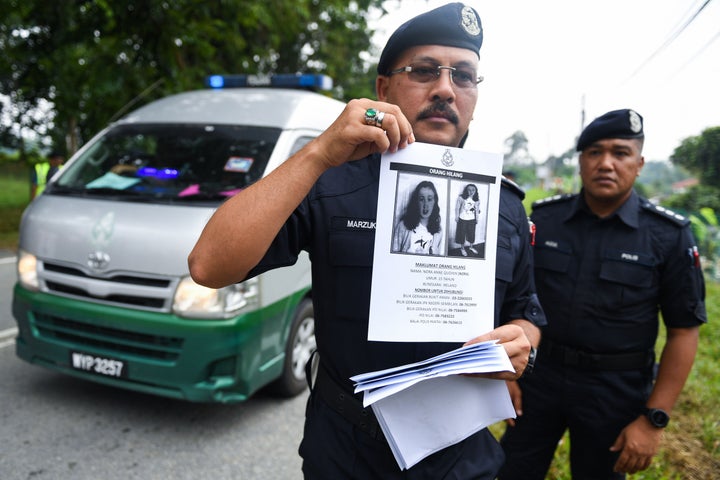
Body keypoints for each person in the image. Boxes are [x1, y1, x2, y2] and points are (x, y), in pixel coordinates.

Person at [189, 3, 545, 478]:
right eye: (423, 71)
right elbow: (210, 266)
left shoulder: (503, 206)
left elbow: (527, 311)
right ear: (384, 88)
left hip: (460, 455)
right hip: (347, 448)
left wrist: (524, 345)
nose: (444, 88)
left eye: (463, 76)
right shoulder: (333, 180)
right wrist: (317, 153)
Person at [499, 109, 707, 479]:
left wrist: (653, 420)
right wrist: (510, 376)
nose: (606, 163)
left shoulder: (667, 236)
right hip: (538, 381)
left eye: (620, 153)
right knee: (510, 471)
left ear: (639, 164)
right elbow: (515, 300)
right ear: (580, 161)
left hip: (614, 392)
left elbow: (683, 331)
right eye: (594, 152)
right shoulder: (544, 221)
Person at [392, 180, 443, 255]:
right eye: (421, 199)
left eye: (429, 199)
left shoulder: (439, 231)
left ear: (435, 202)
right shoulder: (403, 226)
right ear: (416, 201)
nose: (426, 205)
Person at [455, 182, 481, 256]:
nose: (471, 191)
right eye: (469, 190)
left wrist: (477, 218)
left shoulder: (477, 200)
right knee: (462, 234)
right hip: (462, 219)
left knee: (471, 234)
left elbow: (477, 210)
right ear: (466, 190)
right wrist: (457, 217)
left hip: (472, 220)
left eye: (473, 190)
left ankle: (471, 247)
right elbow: (457, 208)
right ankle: (462, 248)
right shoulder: (461, 198)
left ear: (475, 191)